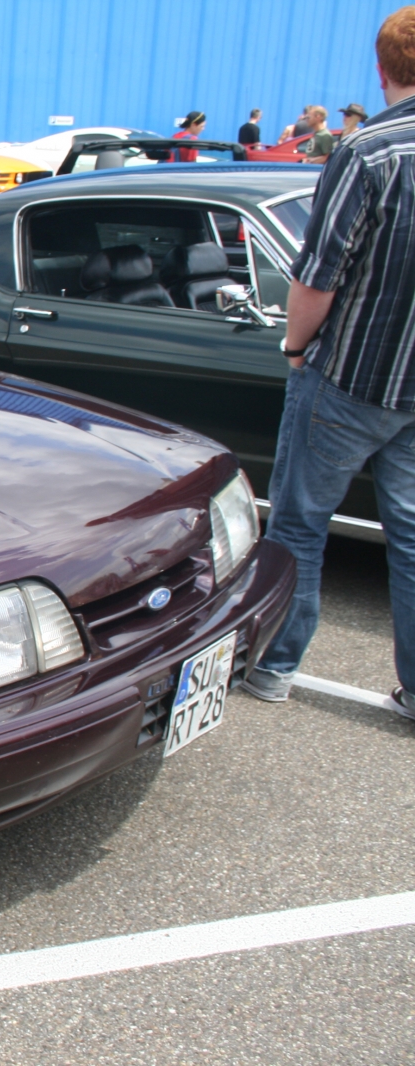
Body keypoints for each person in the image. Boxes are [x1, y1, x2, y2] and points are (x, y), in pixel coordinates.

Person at [238, 5, 415, 723]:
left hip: (352, 374)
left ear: (381, 68)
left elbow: (318, 275)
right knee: (410, 535)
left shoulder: (369, 151)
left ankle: (275, 666)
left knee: (302, 523)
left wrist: (295, 346)